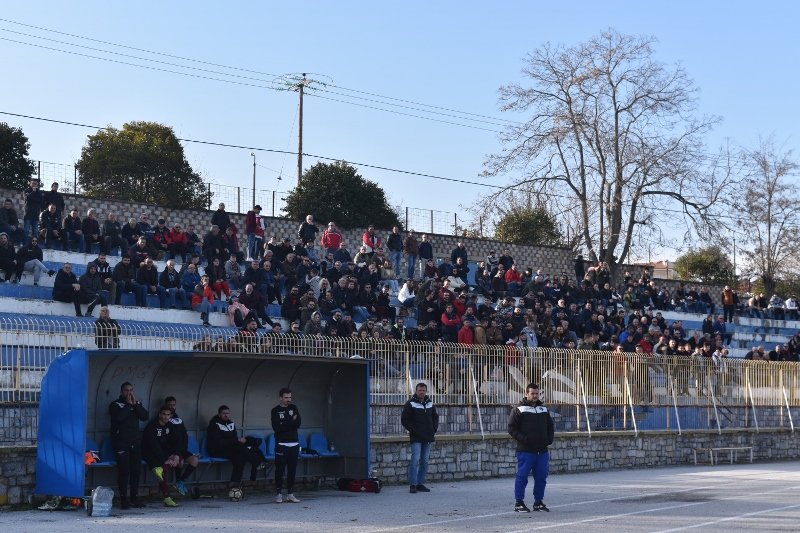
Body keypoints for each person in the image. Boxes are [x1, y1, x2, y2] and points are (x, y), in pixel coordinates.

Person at [508, 382, 554, 513]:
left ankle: (538, 502)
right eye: (532, 393)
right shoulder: (518, 409)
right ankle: (519, 503)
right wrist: (525, 440)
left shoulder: (544, 409)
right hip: (526, 450)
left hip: (542, 451)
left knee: (541, 477)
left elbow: (550, 426)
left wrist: (549, 439)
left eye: (537, 394)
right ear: (526, 394)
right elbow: (511, 428)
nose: (535, 396)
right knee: (522, 477)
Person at [108, 381, 149, 509]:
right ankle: (123, 500)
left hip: (135, 443)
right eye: (126, 390)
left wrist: (135, 405)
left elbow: (144, 416)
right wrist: (128, 405)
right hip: (121, 444)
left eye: (131, 390)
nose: (129, 393)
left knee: (136, 471)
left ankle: (134, 498)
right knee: (124, 471)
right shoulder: (115, 404)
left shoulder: (136, 404)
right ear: (121, 392)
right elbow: (119, 418)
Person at [141, 405, 192, 507]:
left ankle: (160, 470)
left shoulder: (170, 426)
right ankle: (167, 498)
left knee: (179, 459)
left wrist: (176, 455)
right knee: (163, 470)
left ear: (171, 416)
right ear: (159, 414)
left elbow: (178, 441)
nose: (165, 417)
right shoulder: (151, 426)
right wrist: (165, 460)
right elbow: (153, 446)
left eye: (168, 415)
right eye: (163, 414)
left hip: (165, 453)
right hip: (151, 453)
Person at [207, 405, 266, 487]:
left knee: (240, 456)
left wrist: (237, 441)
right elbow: (219, 442)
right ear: (219, 414)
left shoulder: (231, 424)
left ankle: (234, 483)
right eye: (224, 413)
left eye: (227, 413)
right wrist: (236, 441)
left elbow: (233, 438)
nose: (226, 415)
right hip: (217, 450)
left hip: (230, 448)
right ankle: (257, 462)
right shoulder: (214, 424)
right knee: (241, 447)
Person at [400, 382, 439, 494]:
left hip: (428, 437)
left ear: (426, 391)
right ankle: (413, 484)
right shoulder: (410, 404)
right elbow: (404, 420)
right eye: (419, 390)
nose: (421, 392)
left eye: (423, 390)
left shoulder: (430, 403)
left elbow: (435, 417)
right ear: (416, 391)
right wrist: (414, 431)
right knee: (415, 460)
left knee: (425, 461)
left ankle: (420, 483)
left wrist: (434, 429)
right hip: (416, 438)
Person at [271, 387, 302, 503]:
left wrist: (285, 423)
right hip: (281, 444)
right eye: (286, 397)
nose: (288, 400)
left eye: (290, 397)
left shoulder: (293, 408)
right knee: (279, 469)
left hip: (294, 443)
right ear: (280, 398)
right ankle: (278, 494)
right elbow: (277, 428)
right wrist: (290, 421)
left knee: (292, 470)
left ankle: (290, 493)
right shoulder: (275, 410)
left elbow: (298, 423)